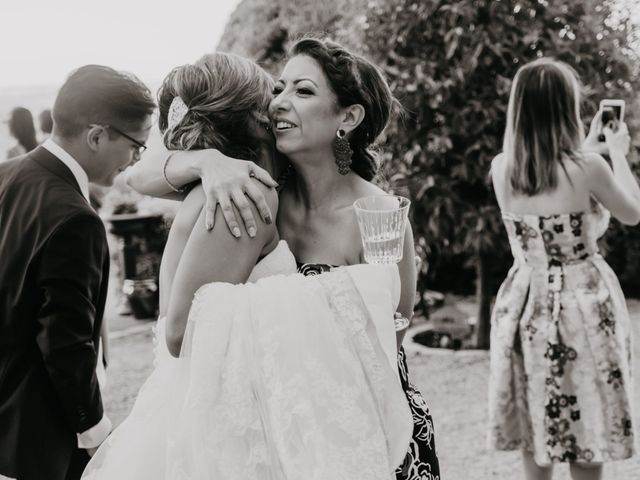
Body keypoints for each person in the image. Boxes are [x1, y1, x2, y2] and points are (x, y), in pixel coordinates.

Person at [82, 51, 411, 479]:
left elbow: (394, 334)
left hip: (349, 418)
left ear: (346, 118)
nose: (279, 100)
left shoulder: (378, 215)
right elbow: (138, 177)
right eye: (279, 87)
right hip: (270, 420)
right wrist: (207, 160)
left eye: (302, 90)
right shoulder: (246, 189)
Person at [0, 65, 155, 480]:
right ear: (97, 135)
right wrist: (95, 431)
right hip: (40, 440)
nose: (135, 158)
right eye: (137, 144)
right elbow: (65, 343)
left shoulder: (5, 174)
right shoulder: (75, 219)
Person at [488, 58, 638, 480]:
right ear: (565, 108)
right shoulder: (588, 168)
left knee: (539, 430)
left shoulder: (503, 168)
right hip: (583, 302)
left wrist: (590, 150)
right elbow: (633, 212)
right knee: (585, 427)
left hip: (526, 302)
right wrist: (618, 156)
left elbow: (550, 179)